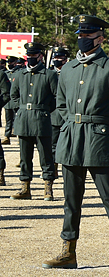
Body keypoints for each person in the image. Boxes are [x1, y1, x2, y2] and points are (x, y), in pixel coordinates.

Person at [42, 15, 109, 274]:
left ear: (100, 38)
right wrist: (69, 126)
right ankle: (68, 251)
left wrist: (108, 134)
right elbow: (60, 105)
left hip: (99, 141)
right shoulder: (69, 69)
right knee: (71, 200)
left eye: (88, 35)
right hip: (71, 140)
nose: (83, 39)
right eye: (80, 35)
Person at [9, 42, 58, 201]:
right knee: (24, 157)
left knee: (46, 156)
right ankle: (25, 187)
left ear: (40, 56)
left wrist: (43, 110)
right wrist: (22, 110)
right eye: (28, 56)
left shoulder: (49, 75)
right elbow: (14, 96)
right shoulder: (20, 75)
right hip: (23, 121)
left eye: (33, 56)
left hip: (41, 120)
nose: (30, 58)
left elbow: (57, 97)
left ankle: (47, 187)